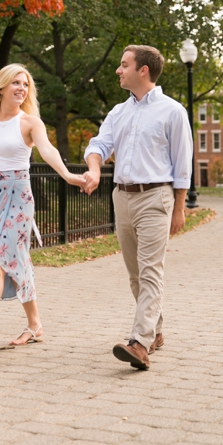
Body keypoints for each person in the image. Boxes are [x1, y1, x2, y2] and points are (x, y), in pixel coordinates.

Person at [0, 64, 86, 363]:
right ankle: (35, 324)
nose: (21, 88)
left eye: (25, 84)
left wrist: (68, 175)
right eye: (15, 83)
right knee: (19, 261)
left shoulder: (30, 123)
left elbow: (48, 150)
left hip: (18, 199)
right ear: (1, 87)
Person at [81, 45, 192, 370]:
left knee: (150, 271)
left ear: (143, 70)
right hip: (122, 197)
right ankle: (155, 331)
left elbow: (182, 162)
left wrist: (180, 207)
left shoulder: (172, 111)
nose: (118, 70)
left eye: (124, 65)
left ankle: (139, 344)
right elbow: (99, 145)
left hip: (156, 197)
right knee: (134, 275)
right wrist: (96, 168)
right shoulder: (119, 112)